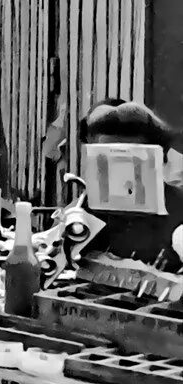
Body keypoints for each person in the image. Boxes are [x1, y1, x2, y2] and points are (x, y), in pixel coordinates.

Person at [73, 100, 183, 263]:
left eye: (132, 160)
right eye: (105, 159)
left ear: (158, 158)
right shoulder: (84, 210)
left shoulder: (178, 207)